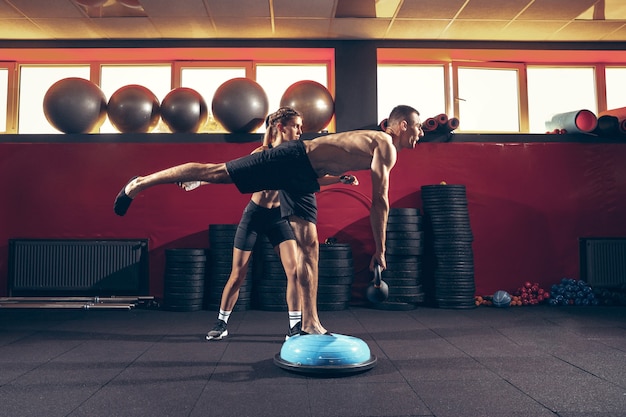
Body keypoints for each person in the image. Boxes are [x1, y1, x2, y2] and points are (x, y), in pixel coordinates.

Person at [114, 104, 423, 334]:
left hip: (305, 179)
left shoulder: (379, 145)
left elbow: (377, 199)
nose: (420, 134)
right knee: (215, 172)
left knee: (310, 248)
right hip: (294, 159)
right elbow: (380, 200)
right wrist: (380, 250)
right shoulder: (384, 143)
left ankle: (311, 322)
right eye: (418, 127)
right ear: (404, 125)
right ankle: (141, 183)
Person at [204, 107, 302, 341]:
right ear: (281, 127)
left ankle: (296, 327)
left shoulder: (295, 156)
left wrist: (340, 178)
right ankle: (221, 323)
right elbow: (229, 172)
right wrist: (198, 181)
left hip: (279, 217)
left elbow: (314, 177)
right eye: (296, 126)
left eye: (301, 126)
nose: (300, 131)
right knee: (238, 274)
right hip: (255, 216)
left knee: (295, 272)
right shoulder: (262, 152)